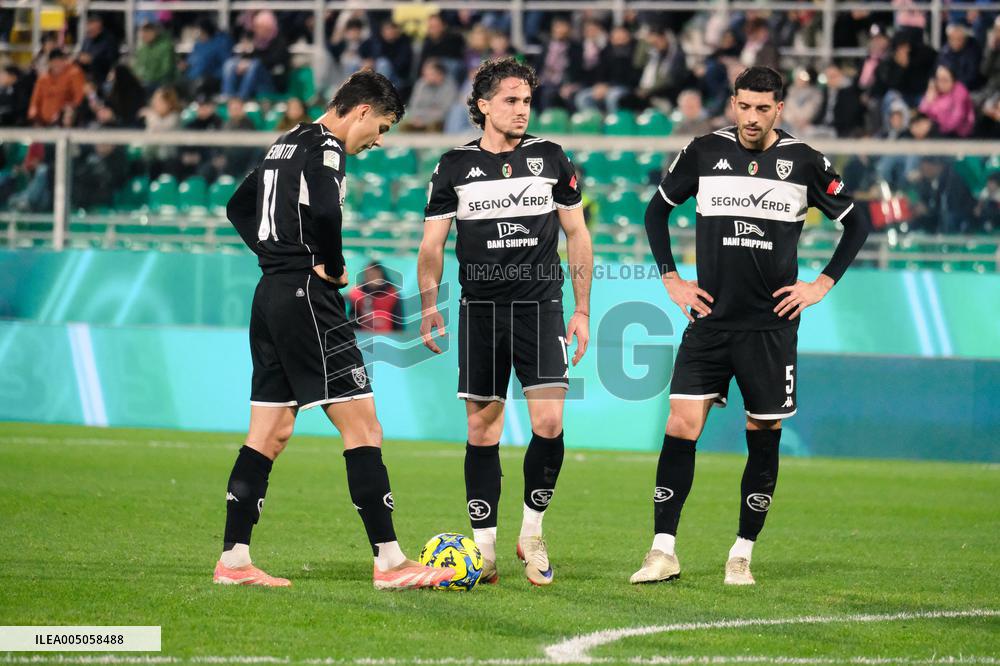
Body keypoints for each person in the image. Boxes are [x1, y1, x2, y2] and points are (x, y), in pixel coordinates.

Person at [217, 70, 453, 590]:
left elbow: (237, 207)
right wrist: (329, 263)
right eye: (383, 127)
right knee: (364, 428)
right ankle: (391, 562)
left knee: (270, 433)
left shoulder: (285, 142)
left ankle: (234, 561)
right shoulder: (326, 148)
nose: (379, 139)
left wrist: (274, 256)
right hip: (307, 295)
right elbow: (325, 208)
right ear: (362, 111)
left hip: (271, 293)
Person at [634, 66, 869, 586]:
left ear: (778, 110)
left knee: (762, 433)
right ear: (733, 103)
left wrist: (822, 284)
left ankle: (741, 552)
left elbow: (858, 222)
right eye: (744, 106)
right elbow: (656, 214)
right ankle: (662, 550)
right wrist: (671, 279)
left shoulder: (804, 161)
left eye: (763, 108)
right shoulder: (704, 152)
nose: (752, 118)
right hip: (710, 320)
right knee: (680, 425)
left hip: (770, 327)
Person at [417, 57, 593, 587]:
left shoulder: (551, 157)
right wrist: (429, 305)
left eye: (526, 101)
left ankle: (532, 532)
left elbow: (577, 235)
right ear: (483, 105)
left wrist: (582, 309)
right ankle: (485, 549)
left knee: (549, 424)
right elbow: (432, 245)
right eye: (511, 100)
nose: (521, 110)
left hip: (541, 306)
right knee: (482, 427)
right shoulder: (452, 166)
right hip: (480, 310)